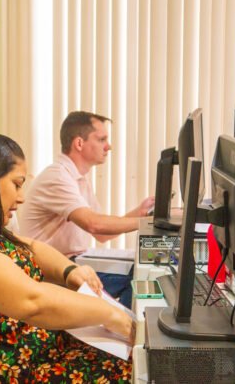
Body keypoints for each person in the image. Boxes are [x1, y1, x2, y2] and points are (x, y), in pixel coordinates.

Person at [0, 133, 133, 382]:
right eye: (16, 184)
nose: (21, 197)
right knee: (136, 370)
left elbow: (30, 246)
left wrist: (69, 271)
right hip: (14, 368)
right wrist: (110, 314)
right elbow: (33, 302)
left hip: (35, 353)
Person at [18, 111, 155, 308]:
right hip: (50, 271)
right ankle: (125, 326)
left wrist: (139, 213)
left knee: (139, 269)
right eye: (102, 140)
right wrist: (149, 222)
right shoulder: (57, 176)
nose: (109, 146)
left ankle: (121, 324)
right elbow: (94, 225)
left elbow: (102, 234)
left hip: (71, 261)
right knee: (137, 279)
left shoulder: (79, 177)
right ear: (79, 143)